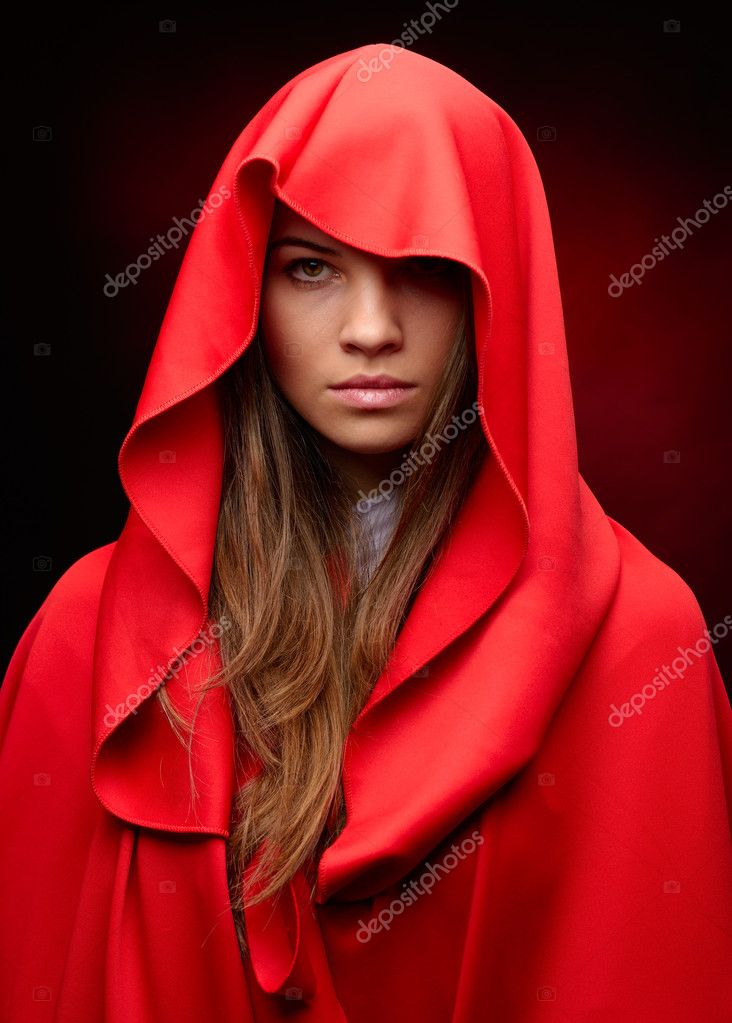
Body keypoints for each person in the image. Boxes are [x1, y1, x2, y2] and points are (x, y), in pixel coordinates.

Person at [2, 42, 731, 1023]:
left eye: (423, 270)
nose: (371, 329)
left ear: (494, 289)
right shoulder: (87, 636)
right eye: (312, 270)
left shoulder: (639, 642)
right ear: (242, 295)